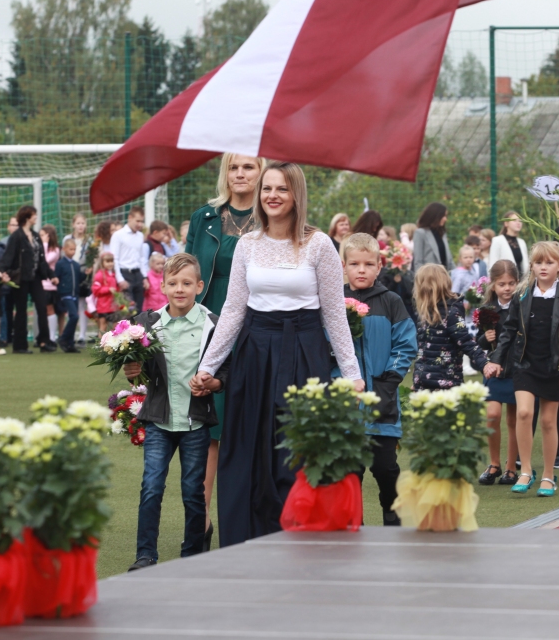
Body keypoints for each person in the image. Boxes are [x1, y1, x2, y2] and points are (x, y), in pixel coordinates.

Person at [192, 161, 362, 548]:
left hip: (305, 353)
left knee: (297, 449)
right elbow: (233, 310)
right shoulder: (247, 245)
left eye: (281, 189)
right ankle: (247, 541)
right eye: (267, 188)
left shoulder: (319, 244)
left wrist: (352, 374)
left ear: (296, 194)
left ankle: (301, 537)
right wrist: (208, 366)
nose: (272, 195)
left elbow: (334, 313)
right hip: (254, 353)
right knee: (247, 447)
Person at [122, 253, 228, 571]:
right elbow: (137, 371)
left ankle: (192, 554)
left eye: (186, 283)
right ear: (163, 286)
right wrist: (131, 370)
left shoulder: (213, 324)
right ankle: (145, 555)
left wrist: (214, 383)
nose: (179, 289)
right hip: (159, 421)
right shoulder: (145, 324)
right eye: (173, 283)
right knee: (151, 487)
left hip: (196, 423)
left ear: (199, 286)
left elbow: (228, 371)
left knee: (194, 492)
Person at [184, 152, 265, 548]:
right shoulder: (204, 218)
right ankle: (200, 522)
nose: (240, 174)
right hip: (206, 332)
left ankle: (248, 520)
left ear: (262, 172)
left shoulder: (272, 219)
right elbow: (186, 273)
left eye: (248, 167)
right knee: (207, 431)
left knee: (248, 428)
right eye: (233, 167)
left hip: (256, 332)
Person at [485, 242, 559, 496]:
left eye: (549, 262)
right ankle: (525, 471)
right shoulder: (522, 295)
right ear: (532, 266)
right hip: (524, 365)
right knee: (524, 413)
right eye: (538, 262)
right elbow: (508, 330)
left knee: (549, 422)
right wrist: (496, 359)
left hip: (554, 368)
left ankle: (548, 475)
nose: (543, 267)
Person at [334, 233, 417, 526]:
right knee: (350, 471)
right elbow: (325, 345)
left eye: (368, 264)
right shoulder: (333, 301)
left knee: (386, 468)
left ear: (379, 266)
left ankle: (392, 518)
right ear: (343, 266)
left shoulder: (391, 301)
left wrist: (388, 381)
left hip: (383, 401)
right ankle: (352, 524)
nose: (361, 270)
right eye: (354, 264)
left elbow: (406, 344)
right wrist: (338, 379)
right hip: (347, 403)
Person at [476, 259, 520, 486]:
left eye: (511, 283)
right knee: (492, 414)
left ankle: (511, 467)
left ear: (518, 283)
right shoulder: (487, 310)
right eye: (502, 284)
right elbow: (477, 342)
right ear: (493, 285)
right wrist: (485, 339)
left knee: (514, 419)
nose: (507, 288)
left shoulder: (522, 306)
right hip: (494, 369)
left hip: (517, 368)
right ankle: (494, 463)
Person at [411, 264, 490, 390]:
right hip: (423, 386)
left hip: (447, 385)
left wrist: (484, 363)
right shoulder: (425, 315)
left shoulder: (451, 313)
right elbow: (423, 351)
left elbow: (466, 342)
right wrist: (418, 377)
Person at [1, 205, 57, 354]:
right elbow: (8, 256)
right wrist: (2, 272)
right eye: (34, 214)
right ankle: (20, 345)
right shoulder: (16, 236)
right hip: (21, 278)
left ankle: (44, 341)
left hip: (35, 277)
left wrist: (51, 275)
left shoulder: (36, 236)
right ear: (27, 216)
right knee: (21, 310)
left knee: (42, 306)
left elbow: (42, 260)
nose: (36, 217)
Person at [111, 206, 147, 312]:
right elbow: (114, 258)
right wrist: (120, 279)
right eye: (137, 221)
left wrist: (144, 277)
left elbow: (141, 258)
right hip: (125, 274)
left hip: (137, 275)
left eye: (142, 221)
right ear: (130, 218)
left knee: (139, 310)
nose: (140, 224)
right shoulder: (118, 235)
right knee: (128, 310)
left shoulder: (140, 236)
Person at [62, 214, 91, 345]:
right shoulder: (67, 239)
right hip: (70, 273)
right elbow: (63, 256)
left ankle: (82, 335)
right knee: (72, 304)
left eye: (83, 223)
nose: (80, 226)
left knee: (82, 303)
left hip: (83, 273)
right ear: (73, 224)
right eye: (78, 223)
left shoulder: (89, 240)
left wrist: (89, 269)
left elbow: (92, 257)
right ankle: (70, 333)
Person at [55, 238, 83, 354]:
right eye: (71, 249)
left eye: (74, 249)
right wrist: (60, 290)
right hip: (65, 294)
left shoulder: (76, 265)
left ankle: (70, 344)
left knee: (74, 318)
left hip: (74, 294)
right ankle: (63, 338)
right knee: (74, 316)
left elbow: (79, 279)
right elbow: (57, 278)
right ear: (64, 249)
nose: (73, 251)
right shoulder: (60, 264)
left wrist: (86, 274)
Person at [412, 202, 453, 273]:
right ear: (435, 216)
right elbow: (418, 262)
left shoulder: (442, 233)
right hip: (429, 276)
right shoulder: (420, 233)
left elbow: (449, 260)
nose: (445, 219)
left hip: (444, 276)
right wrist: (422, 278)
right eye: (443, 216)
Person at [488, 211, 529, 277]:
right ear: (506, 223)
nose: (518, 223)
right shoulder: (497, 241)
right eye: (514, 220)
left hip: (522, 281)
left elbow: (525, 265)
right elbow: (492, 264)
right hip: (504, 280)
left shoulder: (522, 242)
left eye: (520, 220)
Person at [40, 224, 62, 343]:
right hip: (40, 284)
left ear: (48, 236)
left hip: (49, 285)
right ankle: (43, 336)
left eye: (42, 235)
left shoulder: (55, 250)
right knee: (42, 311)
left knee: (50, 309)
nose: (40, 237)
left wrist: (44, 243)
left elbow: (44, 260)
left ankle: (52, 337)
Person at [91, 251, 119, 334]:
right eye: (107, 261)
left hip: (113, 305)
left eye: (111, 261)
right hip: (103, 306)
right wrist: (108, 289)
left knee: (116, 325)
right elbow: (96, 290)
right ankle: (101, 341)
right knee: (103, 325)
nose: (110, 263)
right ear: (102, 262)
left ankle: (114, 340)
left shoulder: (113, 274)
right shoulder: (99, 275)